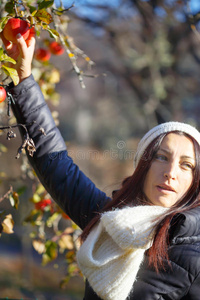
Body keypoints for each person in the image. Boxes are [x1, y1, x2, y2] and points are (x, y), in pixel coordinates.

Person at [1, 32, 200, 300]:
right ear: (142, 165)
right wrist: (23, 79)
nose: (171, 172)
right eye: (161, 157)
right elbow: (53, 161)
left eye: (186, 165)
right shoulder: (108, 219)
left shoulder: (194, 256)